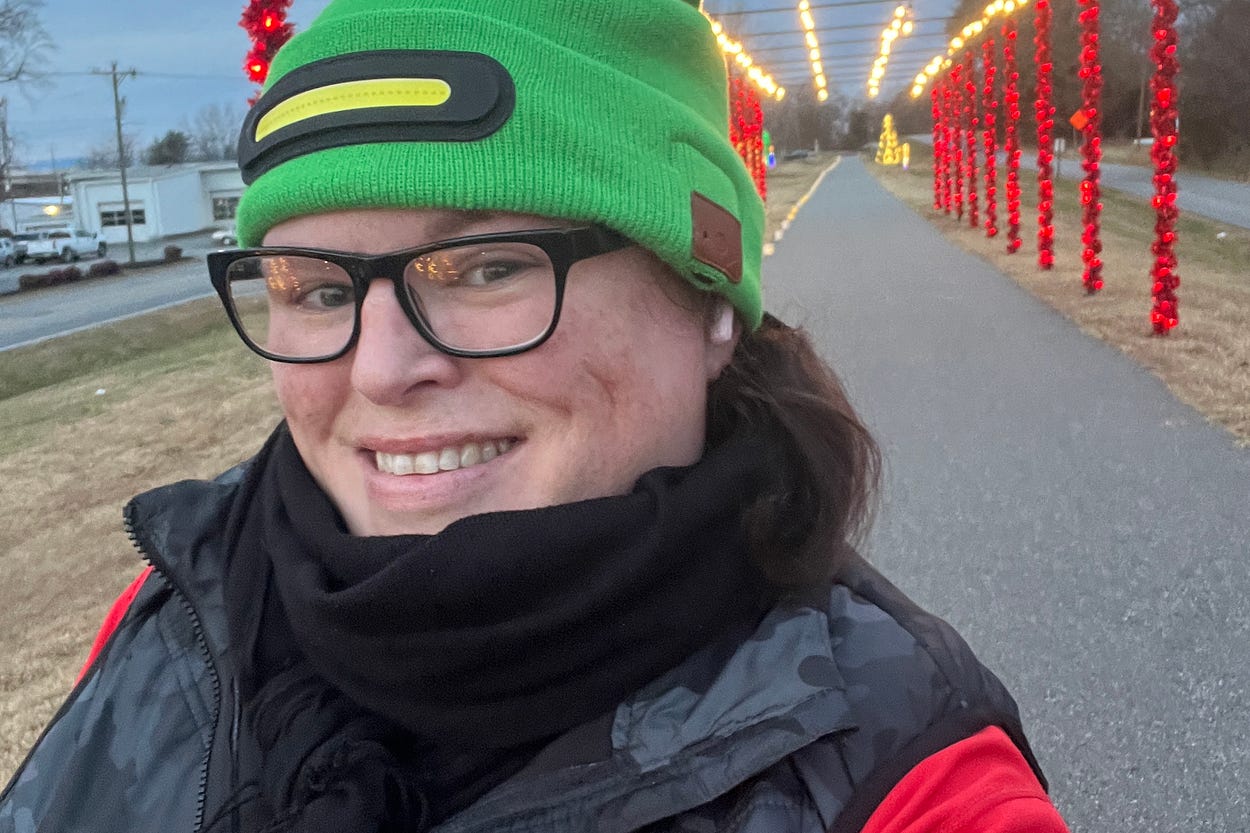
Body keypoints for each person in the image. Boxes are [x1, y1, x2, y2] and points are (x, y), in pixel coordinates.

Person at [0, 1, 1070, 831]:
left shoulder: (901, 776)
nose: (382, 368)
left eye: (485, 267)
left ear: (708, 302)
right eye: (318, 288)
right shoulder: (188, 605)